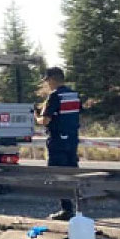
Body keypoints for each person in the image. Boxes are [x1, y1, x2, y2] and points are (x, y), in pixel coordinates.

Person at [37, 67, 81, 220]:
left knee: (58, 174)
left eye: (47, 81)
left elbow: (46, 120)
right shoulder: (74, 95)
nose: (47, 84)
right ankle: (79, 208)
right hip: (72, 139)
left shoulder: (55, 96)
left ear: (52, 80)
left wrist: (37, 118)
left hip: (57, 141)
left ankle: (66, 210)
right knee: (73, 173)